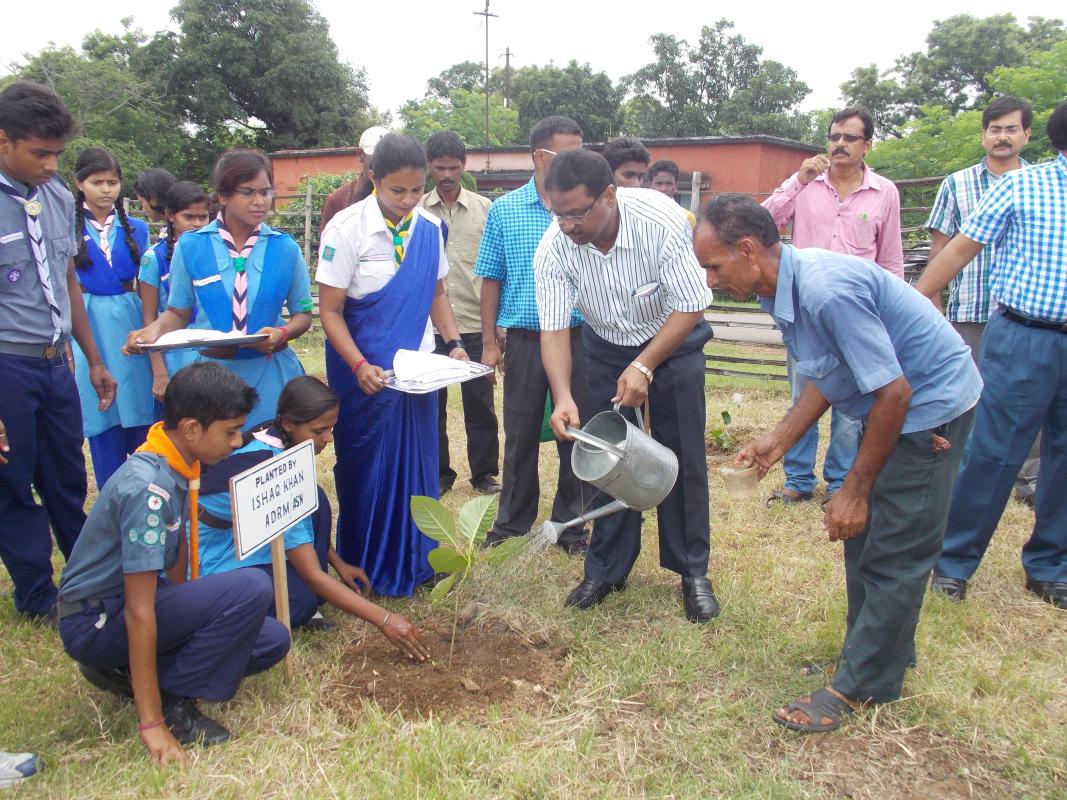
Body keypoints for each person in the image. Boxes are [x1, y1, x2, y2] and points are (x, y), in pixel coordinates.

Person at [694, 193, 981, 732]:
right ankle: (873, 657)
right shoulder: (779, 289)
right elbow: (830, 371)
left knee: (893, 548)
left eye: (713, 264)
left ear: (750, 249)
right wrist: (777, 441)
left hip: (929, 408)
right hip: (899, 401)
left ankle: (859, 685)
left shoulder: (826, 291)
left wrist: (853, 488)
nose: (709, 278)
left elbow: (894, 394)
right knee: (865, 541)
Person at [57, 362, 291, 764]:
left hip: (125, 608)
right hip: (97, 617)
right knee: (250, 586)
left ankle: (125, 671)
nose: (237, 443)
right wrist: (151, 725)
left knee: (271, 640)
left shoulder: (178, 461)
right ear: (191, 429)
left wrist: (189, 617)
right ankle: (170, 705)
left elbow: (175, 563)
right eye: (230, 431)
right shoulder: (148, 491)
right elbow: (139, 611)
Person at [536, 150, 719, 621]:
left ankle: (691, 570)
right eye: (559, 214)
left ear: (610, 196)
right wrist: (563, 396)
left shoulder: (661, 221)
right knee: (606, 458)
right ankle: (607, 569)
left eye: (579, 212)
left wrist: (646, 365)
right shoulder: (554, 247)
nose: (569, 225)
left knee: (680, 457)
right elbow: (555, 329)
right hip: (604, 347)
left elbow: (692, 303)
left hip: (672, 343)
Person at [918, 100, 1067, 610]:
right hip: (1027, 338)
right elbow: (959, 249)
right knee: (995, 452)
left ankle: (1050, 566)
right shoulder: (1024, 185)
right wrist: (914, 308)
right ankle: (954, 563)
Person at [318, 133, 468, 597]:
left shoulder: (428, 229)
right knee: (366, 470)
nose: (406, 201)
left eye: (413, 190)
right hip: (362, 376)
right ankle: (367, 565)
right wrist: (360, 364)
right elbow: (330, 312)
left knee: (418, 465)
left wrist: (455, 343)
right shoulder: (345, 228)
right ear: (372, 179)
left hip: (414, 376)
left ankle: (418, 561)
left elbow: (436, 294)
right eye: (395, 191)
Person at [195, 376, 430, 659]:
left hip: (247, 539)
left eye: (331, 428)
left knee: (315, 498)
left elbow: (301, 522)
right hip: (212, 563)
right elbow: (312, 575)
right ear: (288, 424)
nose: (328, 438)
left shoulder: (274, 436)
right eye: (319, 430)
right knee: (303, 601)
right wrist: (385, 619)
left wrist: (338, 562)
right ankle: (226, 613)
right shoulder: (275, 474)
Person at [0, 81, 117, 621]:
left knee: (67, 476)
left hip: (56, 361)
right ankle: (37, 596)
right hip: (7, 366)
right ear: (4, 142)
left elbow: (67, 277)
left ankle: (88, 576)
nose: (51, 165)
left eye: (57, 154)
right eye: (39, 153)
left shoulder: (56, 197)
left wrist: (91, 357)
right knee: (12, 482)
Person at [759, 107, 904, 507]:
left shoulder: (884, 192)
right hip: (806, 311)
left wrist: (890, 312)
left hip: (859, 314)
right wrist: (797, 180)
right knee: (803, 392)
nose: (839, 144)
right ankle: (797, 481)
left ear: (868, 145)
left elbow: (890, 257)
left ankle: (839, 482)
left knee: (852, 403)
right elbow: (763, 224)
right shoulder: (806, 185)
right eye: (834, 136)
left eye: (850, 137)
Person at [125, 149, 314, 432]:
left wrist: (283, 333)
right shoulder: (190, 247)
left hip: (270, 374)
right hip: (212, 381)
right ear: (223, 196)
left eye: (265, 192)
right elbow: (178, 311)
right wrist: (150, 333)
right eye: (247, 192)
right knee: (218, 468)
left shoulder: (284, 247)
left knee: (268, 460)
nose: (259, 201)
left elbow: (303, 315)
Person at [474, 115, 590, 554]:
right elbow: (490, 279)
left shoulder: (585, 206)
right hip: (523, 338)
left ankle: (571, 525)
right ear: (541, 156)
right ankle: (511, 525)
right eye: (569, 152)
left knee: (575, 431)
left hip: (579, 337)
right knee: (520, 433)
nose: (578, 161)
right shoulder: (505, 210)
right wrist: (489, 343)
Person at [925, 96, 1040, 506]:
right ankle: (959, 477)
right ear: (983, 135)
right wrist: (932, 299)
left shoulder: (1041, 185)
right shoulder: (956, 184)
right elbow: (940, 246)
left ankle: (1028, 483)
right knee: (963, 396)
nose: (1002, 136)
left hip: (1025, 315)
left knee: (1026, 399)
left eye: (1011, 128)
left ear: (1027, 134)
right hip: (969, 309)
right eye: (995, 129)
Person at [420, 130, 499, 495]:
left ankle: (484, 474)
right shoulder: (416, 210)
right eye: (440, 168)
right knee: (430, 408)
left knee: (480, 405)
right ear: (429, 167)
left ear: (464, 166)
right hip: (430, 327)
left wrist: (496, 328)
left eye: (453, 167)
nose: (447, 174)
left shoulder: (486, 210)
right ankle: (438, 474)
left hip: (475, 322)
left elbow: (499, 270)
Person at [71, 148, 155, 488]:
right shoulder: (66, 227)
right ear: (80, 184)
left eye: (113, 182)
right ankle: (111, 490)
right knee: (99, 404)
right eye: (96, 182)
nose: (106, 189)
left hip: (129, 317)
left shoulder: (136, 228)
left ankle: (148, 482)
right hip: (87, 320)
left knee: (137, 397)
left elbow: (146, 281)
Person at [138, 181, 211, 406]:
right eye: (189, 217)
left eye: (203, 217)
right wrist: (159, 372)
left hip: (214, 353)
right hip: (175, 357)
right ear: (170, 215)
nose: (197, 224)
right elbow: (149, 318)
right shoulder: (153, 259)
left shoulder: (216, 255)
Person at [319, 125, 390, 233]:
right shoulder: (337, 201)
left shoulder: (402, 199)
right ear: (360, 155)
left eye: (388, 156)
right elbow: (328, 248)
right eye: (377, 156)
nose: (383, 163)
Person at [648, 159, 698, 229]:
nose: (663, 189)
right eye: (659, 184)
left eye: (669, 184)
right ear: (650, 186)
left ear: (676, 186)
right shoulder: (638, 214)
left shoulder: (687, 217)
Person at [133, 167, 177, 236]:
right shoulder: (170, 229)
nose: (143, 209)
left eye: (142, 202)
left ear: (153, 200)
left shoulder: (179, 232)